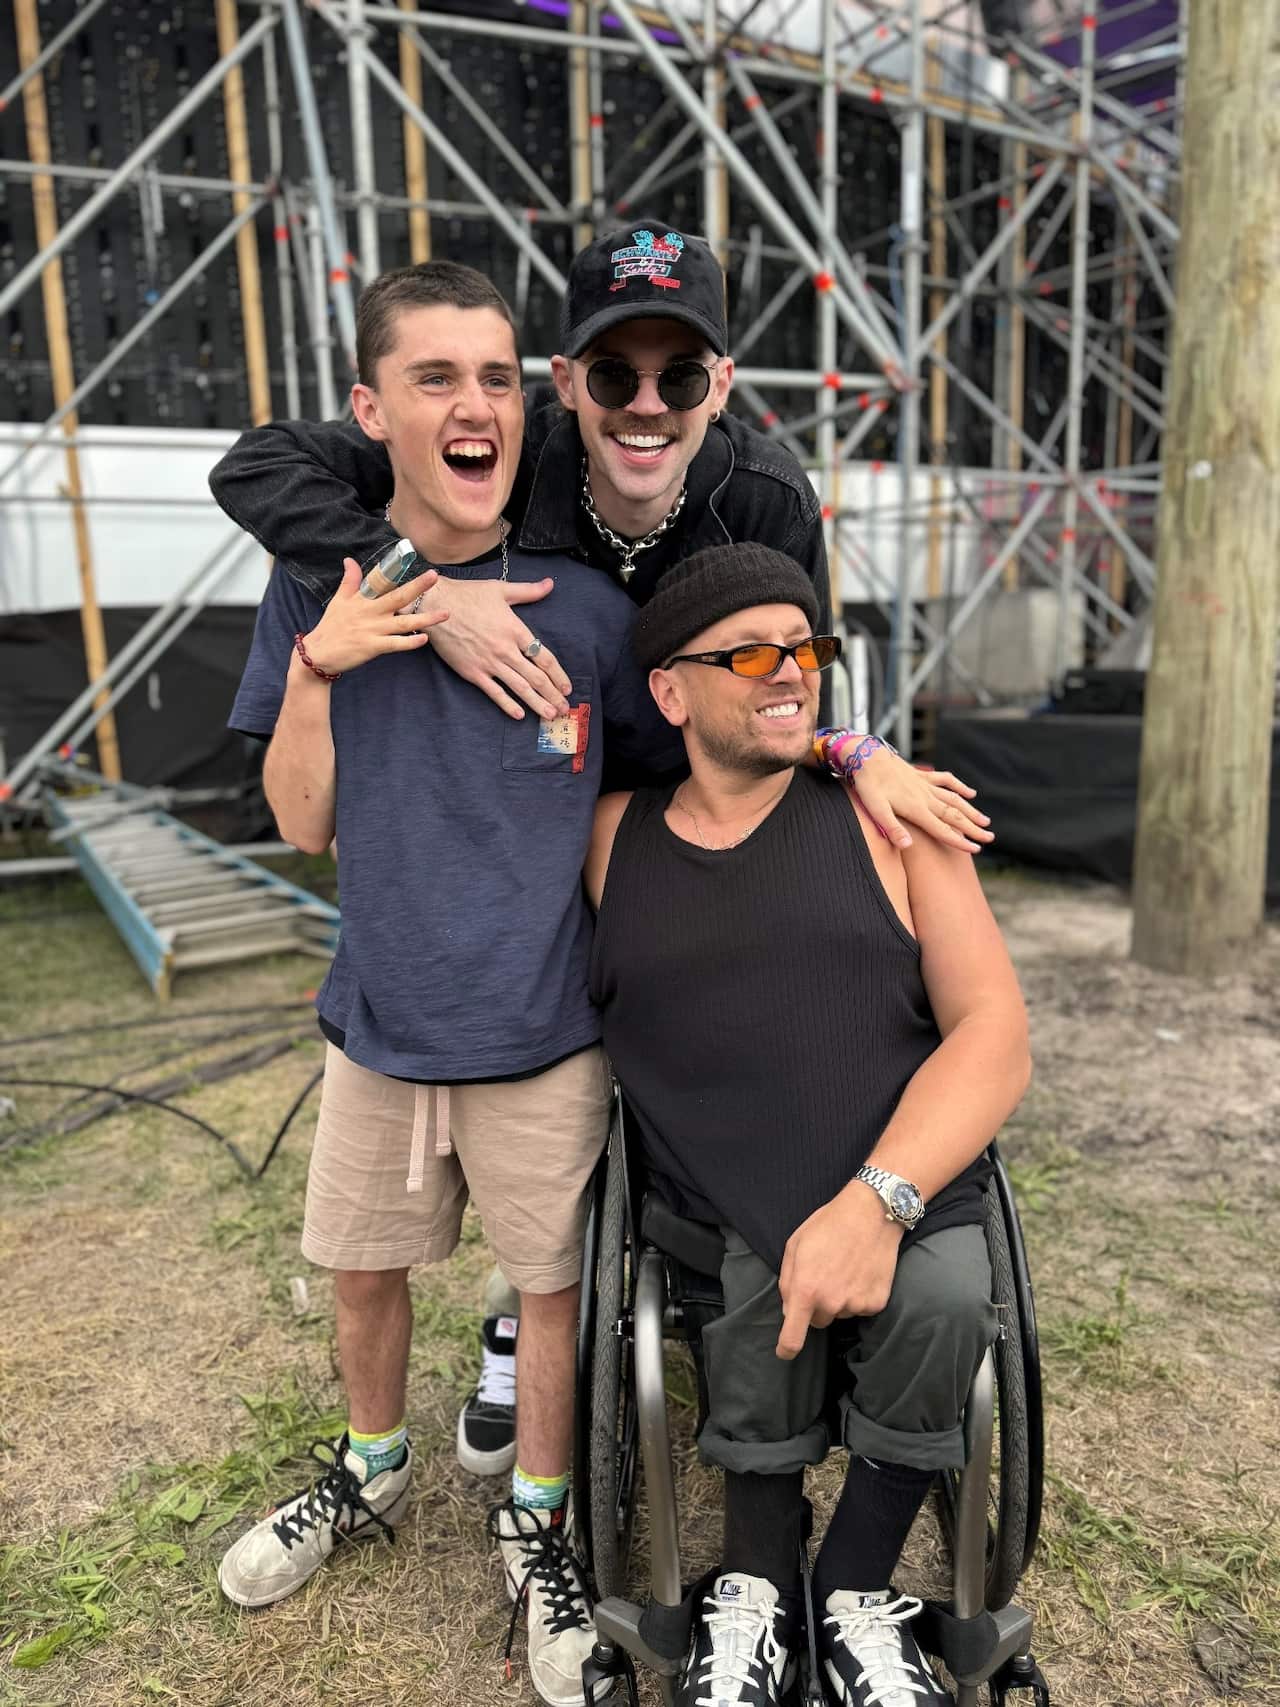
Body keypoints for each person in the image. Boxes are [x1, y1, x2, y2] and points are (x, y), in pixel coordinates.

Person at [209, 227, 994, 1481]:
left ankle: (682, 1257)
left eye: (677, 379)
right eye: (609, 375)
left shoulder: (765, 501)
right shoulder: (502, 448)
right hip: (538, 789)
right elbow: (260, 465)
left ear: (718, 387)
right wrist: (428, 591)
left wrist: (852, 753)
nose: (645, 403)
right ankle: (516, 1335)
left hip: (680, 757)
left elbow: (786, 679)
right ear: (561, 384)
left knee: (709, 1011)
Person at [217, 258, 690, 1707]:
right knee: (363, 1268)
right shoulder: (320, 579)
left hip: (547, 1033)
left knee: (549, 1288)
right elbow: (300, 824)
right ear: (373, 411)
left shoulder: (595, 619)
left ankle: (537, 1518)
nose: (471, 404)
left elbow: (664, 797)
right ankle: (370, 1467)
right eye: (435, 378)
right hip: (379, 1017)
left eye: (494, 376)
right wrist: (322, 664)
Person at [583, 544, 1032, 1707]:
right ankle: (755, 1584)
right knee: (739, 1274)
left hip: (897, 1171)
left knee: (938, 1297)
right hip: (710, 1199)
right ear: (671, 693)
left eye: (807, 648)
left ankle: (848, 1588)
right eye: (751, 653)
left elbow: (991, 1032)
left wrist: (874, 1205)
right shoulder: (606, 841)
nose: (791, 672)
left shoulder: (895, 825)